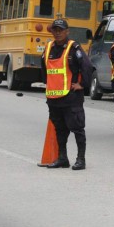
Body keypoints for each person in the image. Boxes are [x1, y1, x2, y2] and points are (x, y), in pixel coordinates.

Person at [41, 19, 91, 171]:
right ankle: (62, 158)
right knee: (60, 130)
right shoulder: (49, 47)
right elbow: (43, 68)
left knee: (77, 129)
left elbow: (87, 66)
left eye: (60, 30)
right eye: (55, 29)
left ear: (67, 31)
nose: (57, 32)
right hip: (54, 99)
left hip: (71, 98)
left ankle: (80, 159)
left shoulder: (73, 48)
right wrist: (48, 84)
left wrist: (82, 85)